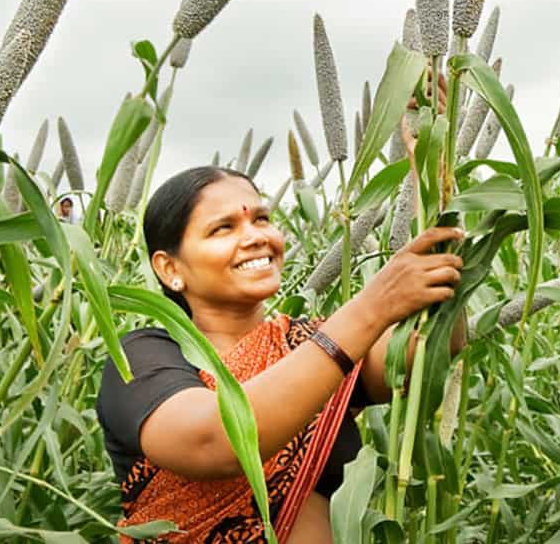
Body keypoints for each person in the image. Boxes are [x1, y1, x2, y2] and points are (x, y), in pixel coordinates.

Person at [95, 165, 465, 542]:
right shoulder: (140, 358)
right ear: (170, 268)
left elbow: (435, 343)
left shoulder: (313, 344)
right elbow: (215, 442)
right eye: (223, 228)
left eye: (262, 219)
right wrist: (371, 308)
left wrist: (433, 176)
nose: (255, 236)